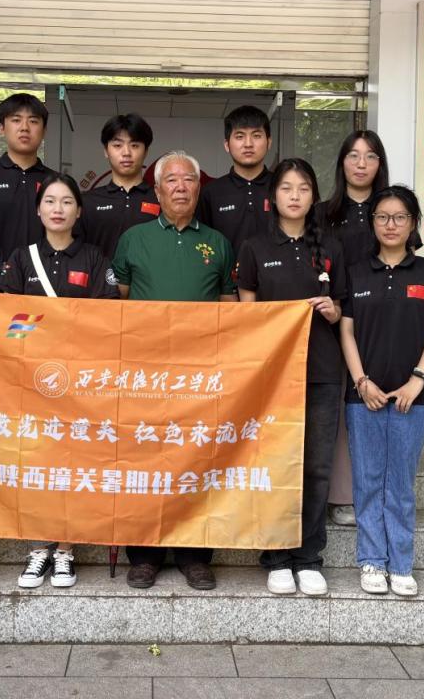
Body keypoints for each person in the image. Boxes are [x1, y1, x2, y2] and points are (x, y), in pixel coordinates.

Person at [112, 150, 237, 590]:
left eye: (189, 180)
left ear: (199, 189)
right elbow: (119, 304)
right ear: (158, 189)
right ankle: (145, 555)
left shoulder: (218, 243)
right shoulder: (134, 239)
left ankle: (194, 555)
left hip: (200, 375)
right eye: (172, 180)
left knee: (198, 461)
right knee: (144, 461)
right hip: (145, 374)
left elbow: (230, 309)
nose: (181, 187)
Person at [0, 173, 120, 589]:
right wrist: (50, 329)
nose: (58, 209)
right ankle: (37, 550)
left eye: (67, 202)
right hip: (33, 379)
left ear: (79, 211)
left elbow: (106, 319)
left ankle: (65, 550)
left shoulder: (95, 259)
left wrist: (54, 326)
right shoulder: (21, 259)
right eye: (50, 201)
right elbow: (6, 320)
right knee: (35, 462)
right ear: (38, 210)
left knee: (72, 464)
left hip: (81, 383)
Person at [339, 185, 424, 597]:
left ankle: (402, 563)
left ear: (413, 223)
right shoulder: (356, 272)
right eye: (382, 217)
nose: (390, 225)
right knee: (368, 480)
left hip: (414, 396)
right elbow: (347, 331)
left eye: (400, 217)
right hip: (364, 396)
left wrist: (418, 378)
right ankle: (373, 560)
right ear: (372, 223)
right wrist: (361, 381)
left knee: (401, 482)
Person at [236, 158, 346, 596]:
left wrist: (333, 310)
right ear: (273, 197)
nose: (295, 195)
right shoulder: (255, 248)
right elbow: (247, 316)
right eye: (286, 188)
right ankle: (277, 557)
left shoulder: (331, 248)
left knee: (316, 468)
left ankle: (308, 557)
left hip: (321, 372)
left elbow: (344, 310)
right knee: (274, 463)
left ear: (313, 196)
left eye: (303, 188)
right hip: (272, 376)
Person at [317, 130, 392, 528]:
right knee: (338, 411)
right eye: (353, 155)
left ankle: (373, 492)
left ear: (380, 164)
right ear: (341, 162)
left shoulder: (391, 210)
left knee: (374, 407)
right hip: (331, 323)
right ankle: (336, 495)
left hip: (380, 323)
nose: (361, 164)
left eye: (370, 156)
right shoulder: (323, 213)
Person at [0, 93, 55, 264]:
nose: (24, 128)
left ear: (44, 130)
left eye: (33, 121)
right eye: (16, 120)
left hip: (42, 274)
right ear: (1, 128)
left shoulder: (55, 181)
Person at [78, 113, 160, 258]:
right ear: (106, 151)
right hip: (100, 274)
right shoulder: (87, 201)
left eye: (134, 145)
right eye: (117, 145)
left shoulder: (161, 199)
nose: (126, 152)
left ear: (146, 151)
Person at [197, 105, 273, 255]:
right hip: (225, 271)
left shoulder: (283, 187)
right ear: (227, 145)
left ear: (269, 142)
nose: (248, 144)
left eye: (256, 136)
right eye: (239, 136)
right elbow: (202, 244)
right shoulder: (210, 193)